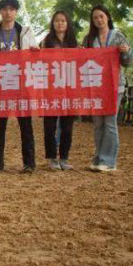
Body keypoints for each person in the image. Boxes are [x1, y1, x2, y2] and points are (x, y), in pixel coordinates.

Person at [0, 0, 39, 173]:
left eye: (12, 9)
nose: (8, 12)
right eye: (5, 9)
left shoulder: (25, 32)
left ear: (16, 12)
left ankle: (29, 163)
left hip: (21, 84)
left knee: (26, 125)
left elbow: (35, 55)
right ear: (0, 11)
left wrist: (35, 52)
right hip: (1, 84)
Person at [83, 5, 133, 172]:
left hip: (114, 85)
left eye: (101, 16)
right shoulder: (89, 39)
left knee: (110, 121)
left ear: (108, 17)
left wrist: (125, 52)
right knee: (98, 123)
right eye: (95, 17)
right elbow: (82, 60)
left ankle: (109, 161)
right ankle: (99, 157)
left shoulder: (118, 36)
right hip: (96, 85)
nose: (99, 20)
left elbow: (128, 62)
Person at [40, 11, 80, 171]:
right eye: (57, 20)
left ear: (67, 23)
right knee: (50, 126)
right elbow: (40, 61)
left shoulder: (73, 42)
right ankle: (52, 158)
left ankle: (64, 157)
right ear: (53, 23)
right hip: (51, 89)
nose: (60, 23)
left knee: (67, 126)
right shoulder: (47, 41)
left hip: (69, 89)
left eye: (63, 20)